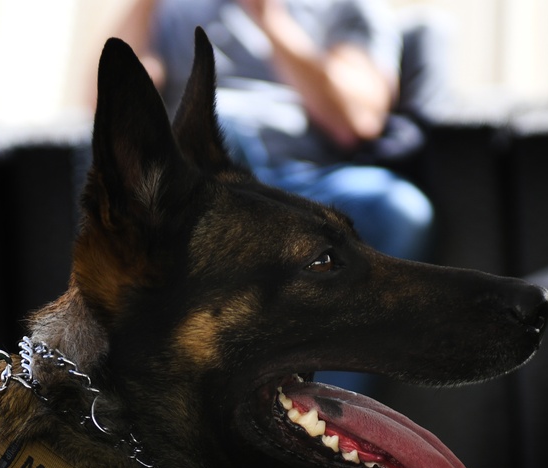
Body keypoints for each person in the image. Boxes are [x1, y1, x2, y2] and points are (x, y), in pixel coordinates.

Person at [106, 0, 434, 393]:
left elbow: (356, 120)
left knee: (400, 209)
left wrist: (268, 17)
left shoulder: (349, 9)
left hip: (310, 180)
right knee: (220, 127)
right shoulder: (174, 10)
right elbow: (107, 109)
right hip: (210, 177)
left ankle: (332, 406)